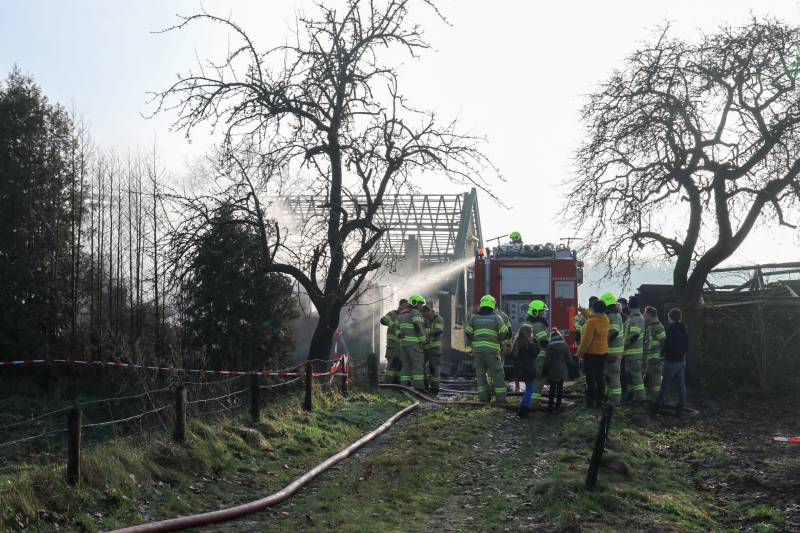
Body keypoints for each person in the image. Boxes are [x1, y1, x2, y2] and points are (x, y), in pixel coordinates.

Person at [465, 294, 510, 403]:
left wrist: (475, 341)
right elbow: (505, 331)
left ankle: (484, 398)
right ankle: (501, 399)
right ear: (492, 305)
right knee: (497, 374)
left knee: (480, 375)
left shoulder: (474, 317)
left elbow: (468, 332)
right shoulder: (496, 317)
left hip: (477, 351)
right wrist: (498, 340)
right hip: (492, 351)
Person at [652, 308, 689, 416]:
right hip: (682, 360)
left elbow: (667, 344)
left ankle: (657, 406)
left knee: (665, 384)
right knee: (682, 384)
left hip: (671, 361)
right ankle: (681, 405)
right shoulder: (684, 329)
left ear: (670, 317)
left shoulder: (670, 329)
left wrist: (663, 354)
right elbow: (687, 345)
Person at [576, 298, 609, 408]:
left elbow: (586, 341)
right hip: (603, 352)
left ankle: (590, 401)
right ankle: (600, 401)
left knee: (590, 378)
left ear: (593, 308)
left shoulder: (591, 322)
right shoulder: (605, 319)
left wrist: (579, 354)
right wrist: (583, 311)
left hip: (591, 354)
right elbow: (593, 318)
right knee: (600, 377)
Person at [395, 295, 427, 391]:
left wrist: (399, 334)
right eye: (420, 304)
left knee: (405, 366)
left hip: (403, 344)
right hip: (414, 345)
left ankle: (404, 387)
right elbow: (418, 327)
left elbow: (396, 328)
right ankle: (419, 387)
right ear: (414, 303)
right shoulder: (415, 312)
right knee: (417, 365)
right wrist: (423, 341)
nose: (421, 306)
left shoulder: (401, 314)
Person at [524, 300, 550, 407]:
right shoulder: (539, 325)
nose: (543, 314)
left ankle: (529, 401)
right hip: (539, 357)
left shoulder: (527, 324)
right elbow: (544, 341)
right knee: (539, 379)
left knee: (531, 380)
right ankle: (533, 403)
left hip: (529, 358)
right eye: (541, 312)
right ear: (535, 312)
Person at [511, 324, 539, 418]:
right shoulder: (530, 343)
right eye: (531, 332)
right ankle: (524, 410)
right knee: (529, 390)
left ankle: (521, 411)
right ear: (528, 332)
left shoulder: (517, 342)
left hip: (521, 369)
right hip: (529, 369)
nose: (532, 333)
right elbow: (535, 353)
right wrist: (536, 342)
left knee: (529, 390)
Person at [602, 292, 624, 406]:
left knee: (614, 377)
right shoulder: (614, 315)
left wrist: (604, 342)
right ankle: (610, 398)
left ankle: (615, 401)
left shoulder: (613, 315)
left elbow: (614, 332)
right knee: (609, 376)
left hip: (613, 352)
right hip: (612, 352)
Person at [623, 296, 646, 402]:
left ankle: (641, 398)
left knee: (636, 377)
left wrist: (623, 346)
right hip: (631, 355)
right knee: (630, 377)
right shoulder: (634, 318)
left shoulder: (636, 319)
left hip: (633, 355)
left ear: (629, 306)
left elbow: (634, 336)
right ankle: (631, 395)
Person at [543, 328, 571, 414]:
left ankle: (550, 407)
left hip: (552, 370)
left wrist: (544, 371)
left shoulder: (550, 346)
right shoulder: (564, 345)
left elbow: (547, 361)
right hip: (562, 370)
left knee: (552, 389)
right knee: (560, 389)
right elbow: (569, 359)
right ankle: (558, 407)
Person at [379, 299, 406, 384]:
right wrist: (391, 323)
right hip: (393, 345)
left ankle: (397, 384)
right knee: (392, 364)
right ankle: (388, 383)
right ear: (400, 305)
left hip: (402, 346)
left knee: (399, 365)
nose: (407, 307)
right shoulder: (392, 314)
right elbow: (383, 320)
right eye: (405, 305)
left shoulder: (405, 316)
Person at [643, 306, 666, 399]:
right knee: (649, 380)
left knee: (656, 382)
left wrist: (660, 356)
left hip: (656, 360)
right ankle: (652, 398)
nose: (643, 315)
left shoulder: (658, 327)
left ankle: (658, 399)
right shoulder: (650, 326)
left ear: (649, 314)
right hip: (650, 360)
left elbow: (664, 342)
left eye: (645, 313)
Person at [421, 304, 444, 394]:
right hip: (424, 348)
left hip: (434, 348)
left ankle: (435, 389)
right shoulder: (424, 319)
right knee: (420, 366)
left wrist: (428, 332)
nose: (423, 315)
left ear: (428, 312)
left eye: (424, 313)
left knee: (434, 369)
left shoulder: (438, 319)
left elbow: (438, 331)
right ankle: (425, 386)